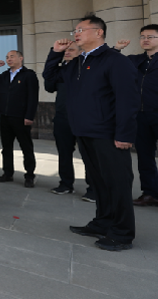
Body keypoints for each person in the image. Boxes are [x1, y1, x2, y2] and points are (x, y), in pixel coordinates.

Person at [43, 14, 139, 251]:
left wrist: (124, 135)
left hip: (108, 133)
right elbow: (50, 80)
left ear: (99, 32)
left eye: (81, 30)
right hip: (84, 132)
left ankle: (122, 233)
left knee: (117, 183)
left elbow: (128, 100)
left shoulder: (114, 61)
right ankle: (102, 222)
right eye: (75, 30)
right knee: (98, 182)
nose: (76, 34)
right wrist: (55, 53)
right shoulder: (77, 62)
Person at [113, 24, 158, 208]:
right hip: (140, 115)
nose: (145, 40)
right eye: (142, 37)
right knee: (144, 156)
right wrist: (117, 49)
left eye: (150, 36)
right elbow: (111, 64)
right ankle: (150, 194)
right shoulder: (135, 60)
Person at [45, 42, 95, 200]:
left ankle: (93, 188)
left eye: (71, 50)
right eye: (65, 51)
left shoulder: (86, 69)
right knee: (64, 153)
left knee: (88, 155)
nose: (67, 52)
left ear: (80, 52)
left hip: (83, 118)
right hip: (63, 118)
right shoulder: (60, 70)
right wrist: (54, 61)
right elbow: (49, 86)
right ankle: (66, 184)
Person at [0, 50, 40, 187]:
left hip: (21, 118)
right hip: (5, 117)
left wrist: (29, 116)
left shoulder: (28, 75)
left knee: (26, 147)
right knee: (6, 148)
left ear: (21, 58)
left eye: (12, 56)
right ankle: (7, 173)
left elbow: (33, 97)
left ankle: (29, 175)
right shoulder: (4, 75)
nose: (9, 59)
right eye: (7, 57)